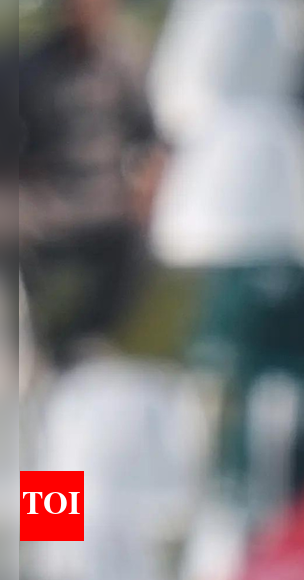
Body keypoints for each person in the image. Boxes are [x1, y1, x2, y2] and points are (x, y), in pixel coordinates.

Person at [18, 0, 166, 365]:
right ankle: (24, 337)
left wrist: (147, 186)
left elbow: (151, 138)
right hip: (42, 199)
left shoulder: (126, 63)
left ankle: (79, 340)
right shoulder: (30, 69)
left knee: (137, 240)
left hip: (104, 198)